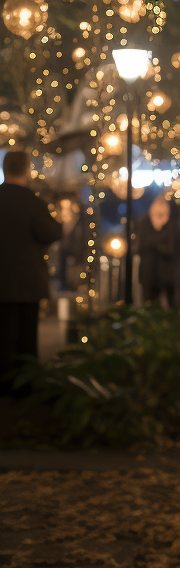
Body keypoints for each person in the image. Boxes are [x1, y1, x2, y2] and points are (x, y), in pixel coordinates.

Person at [0, 151, 63, 393]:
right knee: (26, 338)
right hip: (28, 282)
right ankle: (24, 388)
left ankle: (3, 385)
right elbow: (52, 233)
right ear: (26, 170)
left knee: (2, 336)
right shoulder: (32, 201)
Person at [137, 196, 176, 306]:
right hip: (148, 274)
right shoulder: (144, 223)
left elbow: (171, 249)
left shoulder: (171, 226)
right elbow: (141, 246)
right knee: (149, 303)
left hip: (167, 275)